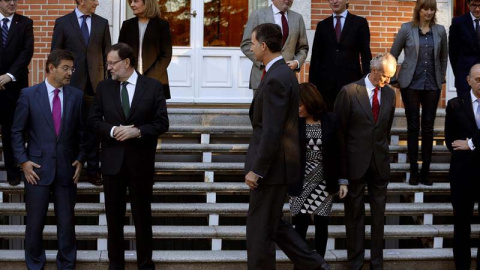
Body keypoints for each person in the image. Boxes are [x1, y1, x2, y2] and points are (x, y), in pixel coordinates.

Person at [244, 23, 330, 270]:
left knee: (259, 233)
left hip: (271, 170)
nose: (250, 47)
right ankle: (316, 264)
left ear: (263, 45)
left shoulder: (277, 78)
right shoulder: (282, 73)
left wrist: (257, 169)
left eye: (252, 43)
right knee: (276, 226)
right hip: (278, 166)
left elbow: (272, 131)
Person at [88, 42, 169, 270]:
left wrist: (138, 131)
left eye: (112, 63)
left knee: (142, 217)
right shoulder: (104, 88)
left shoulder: (153, 87)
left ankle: (145, 263)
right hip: (112, 164)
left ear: (126, 62)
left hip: (140, 163)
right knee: (114, 219)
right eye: (107, 63)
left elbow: (162, 123)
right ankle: (116, 264)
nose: (109, 67)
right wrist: (112, 130)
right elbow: (93, 121)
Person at [11, 50, 85, 270]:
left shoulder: (76, 96)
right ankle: (35, 265)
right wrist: (23, 162)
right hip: (36, 170)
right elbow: (16, 131)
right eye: (65, 68)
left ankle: (66, 264)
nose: (70, 72)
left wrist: (81, 159)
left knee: (67, 223)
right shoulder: (28, 94)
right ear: (51, 68)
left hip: (66, 169)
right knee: (34, 224)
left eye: (72, 68)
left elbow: (82, 132)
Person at [334, 53, 397, 270]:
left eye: (391, 77)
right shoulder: (349, 92)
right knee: (354, 217)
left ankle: (377, 264)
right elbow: (339, 135)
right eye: (385, 76)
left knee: (379, 217)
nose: (388, 81)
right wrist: (341, 175)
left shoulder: (390, 95)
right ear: (374, 70)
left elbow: (385, 130)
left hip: (379, 164)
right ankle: (356, 263)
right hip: (354, 165)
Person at [51, 0, 112, 185]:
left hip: (95, 85)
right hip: (71, 85)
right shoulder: (62, 22)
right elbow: (55, 54)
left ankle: (93, 170)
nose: (97, 2)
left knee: (93, 129)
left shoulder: (102, 23)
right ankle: (68, 168)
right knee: (70, 128)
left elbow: (107, 53)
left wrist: (108, 84)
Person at [390, 0, 447, 186]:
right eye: (425, 8)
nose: (429, 12)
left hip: (432, 83)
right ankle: (414, 171)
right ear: (419, 10)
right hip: (411, 84)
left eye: (432, 9)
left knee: (429, 128)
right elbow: (393, 53)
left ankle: (426, 173)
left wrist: (442, 76)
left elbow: (443, 57)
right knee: (413, 127)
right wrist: (392, 76)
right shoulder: (407, 28)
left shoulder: (440, 31)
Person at [288, 82, 348, 258]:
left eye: (300, 104)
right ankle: (301, 263)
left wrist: (343, 180)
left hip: (324, 179)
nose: (297, 108)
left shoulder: (331, 120)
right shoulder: (293, 121)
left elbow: (341, 151)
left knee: (322, 224)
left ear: (310, 102)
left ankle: (319, 263)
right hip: (300, 179)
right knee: (300, 225)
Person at [445, 63, 480, 270]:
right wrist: (465, 147)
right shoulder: (454, 105)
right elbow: (451, 141)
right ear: (468, 81)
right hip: (463, 175)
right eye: (477, 80)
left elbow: (464, 143)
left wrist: (471, 144)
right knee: (461, 227)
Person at [309, 0, 372, 111]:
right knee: (326, 121)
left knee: (348, 121)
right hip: (325, 85)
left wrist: (367, 83)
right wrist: (312, 87)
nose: (334, 1)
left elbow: (366, 56)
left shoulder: (359, 23)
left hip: (351, 83)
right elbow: (315, 59)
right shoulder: (322, 25)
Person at [240, 0, 308, 92]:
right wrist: (263, 62)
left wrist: (296, 62)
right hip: (262, 77)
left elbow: (303, 48)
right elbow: (246, 44)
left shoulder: (297, 18)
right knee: (262, 106)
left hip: (287, 78)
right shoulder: (257, 15)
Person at [0, 0, 34, 186]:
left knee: (11, 129)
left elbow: (27, 52)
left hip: (14, 85)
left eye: (15, 0)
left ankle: (13, 171)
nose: (12, 3)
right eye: (7, 0)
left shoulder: (25, 23)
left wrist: (9, 75)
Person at [118, 0, 172, 99]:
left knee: (153, 114)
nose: (132, 5)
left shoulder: (162, 25)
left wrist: (148, 79)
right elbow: (121, 53)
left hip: (155, 80)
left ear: (147, 3)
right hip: (130, 80)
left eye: (136, 1)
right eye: (131, 2)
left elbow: (166, 55)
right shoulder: (127, 25)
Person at [449, 0, 480, 98]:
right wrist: (459, 74)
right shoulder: (458, 22)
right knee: (465, 110)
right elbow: (453, 52)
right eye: (474, 5)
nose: (477, 9)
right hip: (464, 77)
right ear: (467, 4)